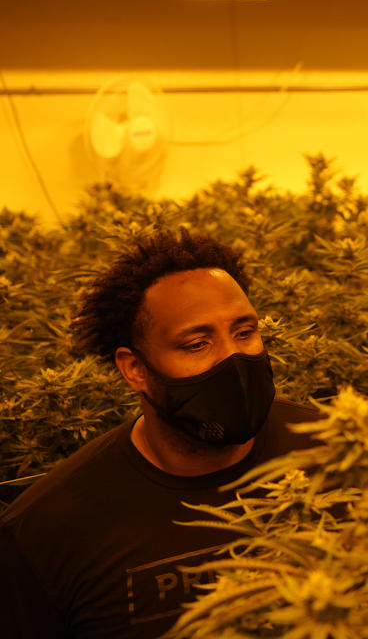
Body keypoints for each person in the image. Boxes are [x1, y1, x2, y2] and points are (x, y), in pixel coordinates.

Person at [0, 229, 320, 638]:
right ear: (134, 368)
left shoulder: (336, 451)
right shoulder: (45, 533)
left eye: (244, 332)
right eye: (196, 344)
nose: (234, 359)